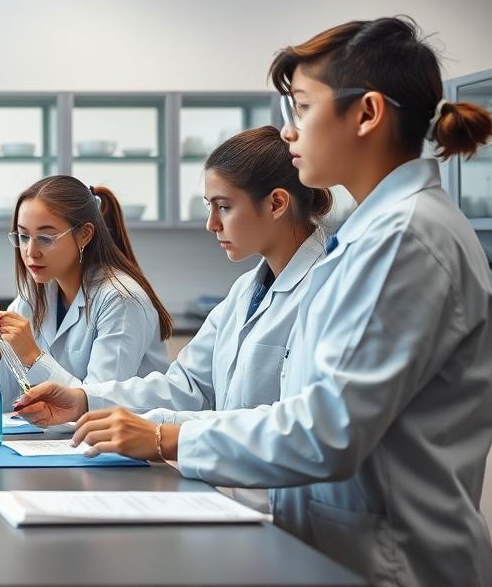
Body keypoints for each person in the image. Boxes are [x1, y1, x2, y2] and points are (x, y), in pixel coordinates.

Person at [16, 17, 492, 585]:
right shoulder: (363, 241)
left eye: (302, 107)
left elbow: (327, 431)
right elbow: (195, 388)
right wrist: (86, 401)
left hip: (392, 562)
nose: (289, 132)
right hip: (329, 546)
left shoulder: (403, 241)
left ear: (367, 113)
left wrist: (165, 437)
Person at [18, 126, 331, 509]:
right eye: (209, 207)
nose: (211, 224)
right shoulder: (245, 290)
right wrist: (83, 399)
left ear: (277, 204)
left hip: (293, 507)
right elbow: (187, 387)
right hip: (234, 495)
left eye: (224, 207)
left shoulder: (327, 287)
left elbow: (300, 426)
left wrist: (161, 436)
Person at [0, 176, 170, 411]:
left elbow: (99, 407)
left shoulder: (121, 300)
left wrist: (32, 356)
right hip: (58, 441)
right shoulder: (33, 296)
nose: (31, 252)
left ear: (84, 235)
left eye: (45, 238)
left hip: (122, 443)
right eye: (23, 236)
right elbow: (4, 405)